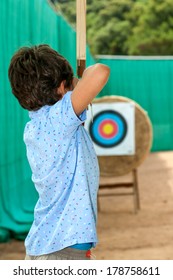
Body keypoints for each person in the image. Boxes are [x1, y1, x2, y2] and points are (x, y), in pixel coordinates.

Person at [8, 44, 110, 260]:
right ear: (63, 88)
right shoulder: (58, 119)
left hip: (48, 247)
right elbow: (100, 71)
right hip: (63, 252)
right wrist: (76, 80)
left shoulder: (37, 125)